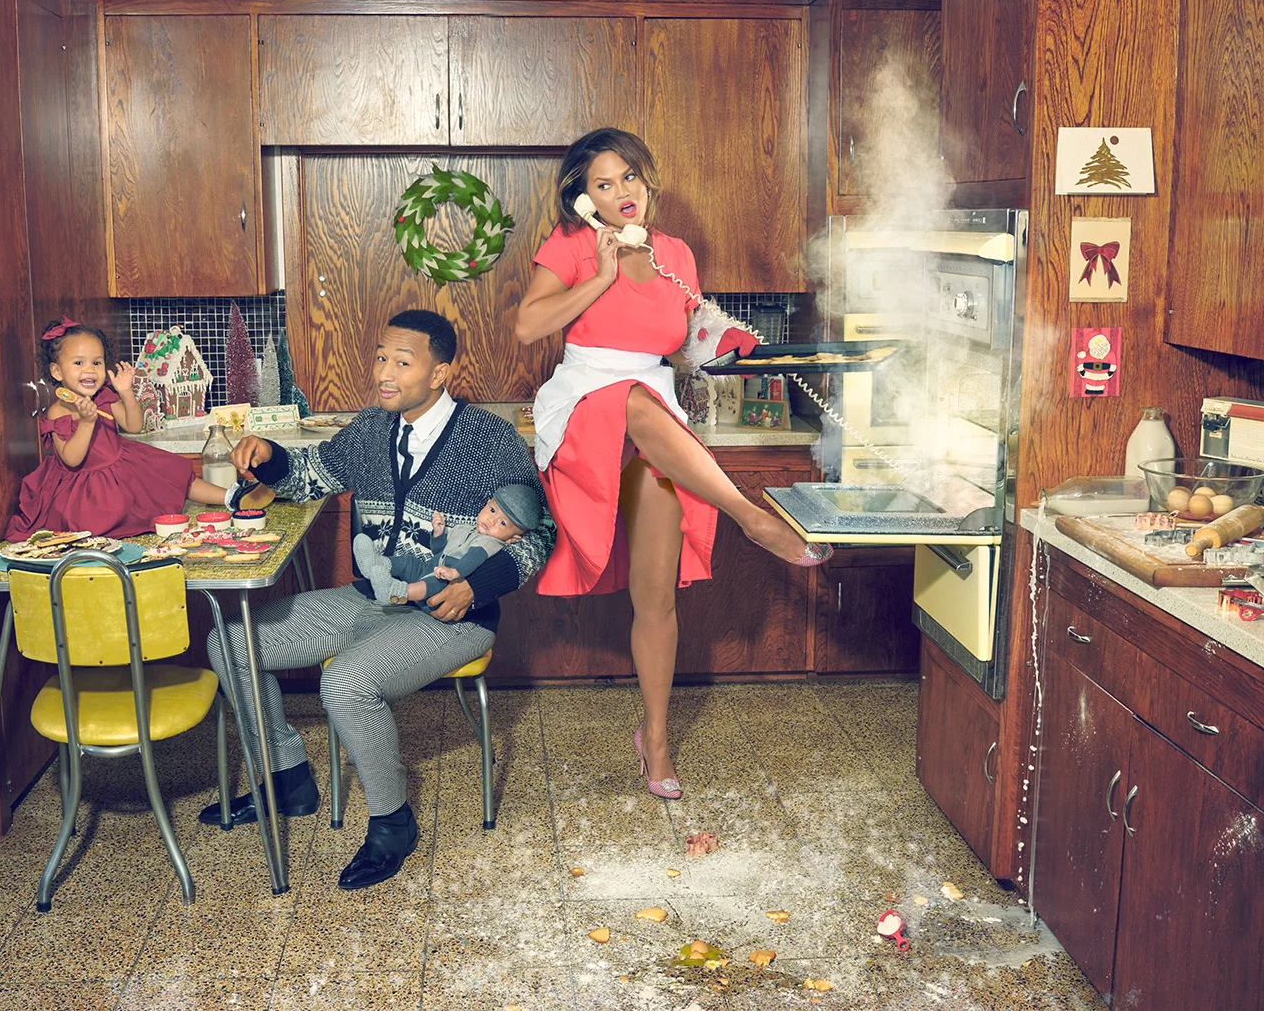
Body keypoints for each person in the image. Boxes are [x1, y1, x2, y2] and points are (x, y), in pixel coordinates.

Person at [513, 128, 831, 801]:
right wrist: (600, 276)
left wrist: (732, 342)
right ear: (583, 199)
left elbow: (682, 340)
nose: (621, 192)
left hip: (652, 414)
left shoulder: (675, 253)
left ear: (647, 178)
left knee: (656, 598)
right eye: (603, 185)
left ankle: (653, 738)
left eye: (629, 177)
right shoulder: (571, 244)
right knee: (630, 396)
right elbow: (528, 326)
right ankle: (751, 516)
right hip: (585, 401)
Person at [202, 309, 553, 890]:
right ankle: (287, 778)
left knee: (345, 682)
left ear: (439, 373)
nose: (384, 373)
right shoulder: (369, 429)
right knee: (230, 642)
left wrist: (475, 586)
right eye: (381, 358)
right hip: (370, 598)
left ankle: (392, 823)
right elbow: (310, 476)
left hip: (451, 615)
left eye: (402, 362)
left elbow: (541, 534)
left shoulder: (491, 439)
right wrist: (271, 456)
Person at [6, 319, 228, 542]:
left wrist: (126, 392)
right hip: (84, 489)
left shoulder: (104, 396)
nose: (90, 370)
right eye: (79, 363)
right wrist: (87, 422)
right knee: (97, 527)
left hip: (121, 466)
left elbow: (134, 426)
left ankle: (230, 496)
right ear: (57, 371)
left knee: (174, 473)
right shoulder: (58, 411)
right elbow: (72, 460)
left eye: (97, 362)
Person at [352, 484, 540, 608]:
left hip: (445, 589)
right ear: (487, 503)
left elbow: (473, 558)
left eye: (503, 523)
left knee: (436, 583)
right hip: (430, 569)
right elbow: (439, 550)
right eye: (492, 510)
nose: (491, 520)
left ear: (513, 538)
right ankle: (375, 564)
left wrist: (455, 573)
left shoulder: (490, 542)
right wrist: (439, 533)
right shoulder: (464, 529)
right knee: (409, 562)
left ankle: (396, 593)